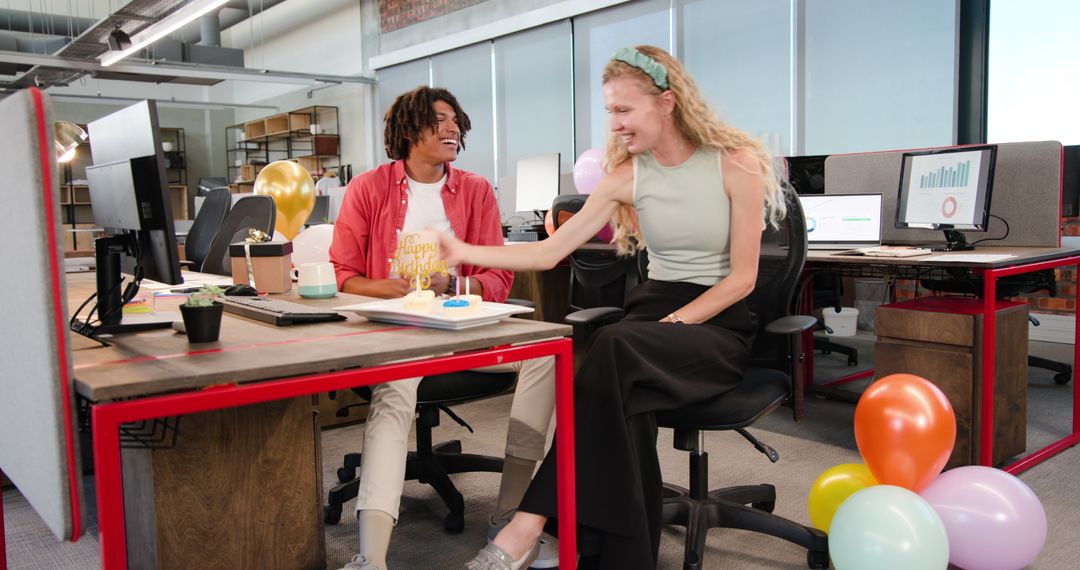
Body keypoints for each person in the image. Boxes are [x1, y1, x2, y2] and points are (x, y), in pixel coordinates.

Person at [437, 46, 787, 570]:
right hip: (649, 321)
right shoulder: (628, 176)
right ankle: (621, 553)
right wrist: (464, 251)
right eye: (610, 111)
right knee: (617, 373)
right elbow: (548, 252)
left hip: (714, 327)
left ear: (667, 102)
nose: (615, 124)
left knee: (612, 343)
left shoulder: (737, 165)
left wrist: (674, 324)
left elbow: (742, 279)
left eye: (624, 110)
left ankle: (528, 527)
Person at [329, 86, 559, 570]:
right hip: (403, 332)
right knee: (395, 388)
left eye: (456, 120)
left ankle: (510, 518)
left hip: (466, 328)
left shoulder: (474, 190)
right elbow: (342, 276)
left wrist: (454, 283)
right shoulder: (368, 189)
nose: (453, 128)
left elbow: (499, 276)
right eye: (440, 119)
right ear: (409, 130)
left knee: (547, 352)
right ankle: (370, 556)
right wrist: (390, 289)